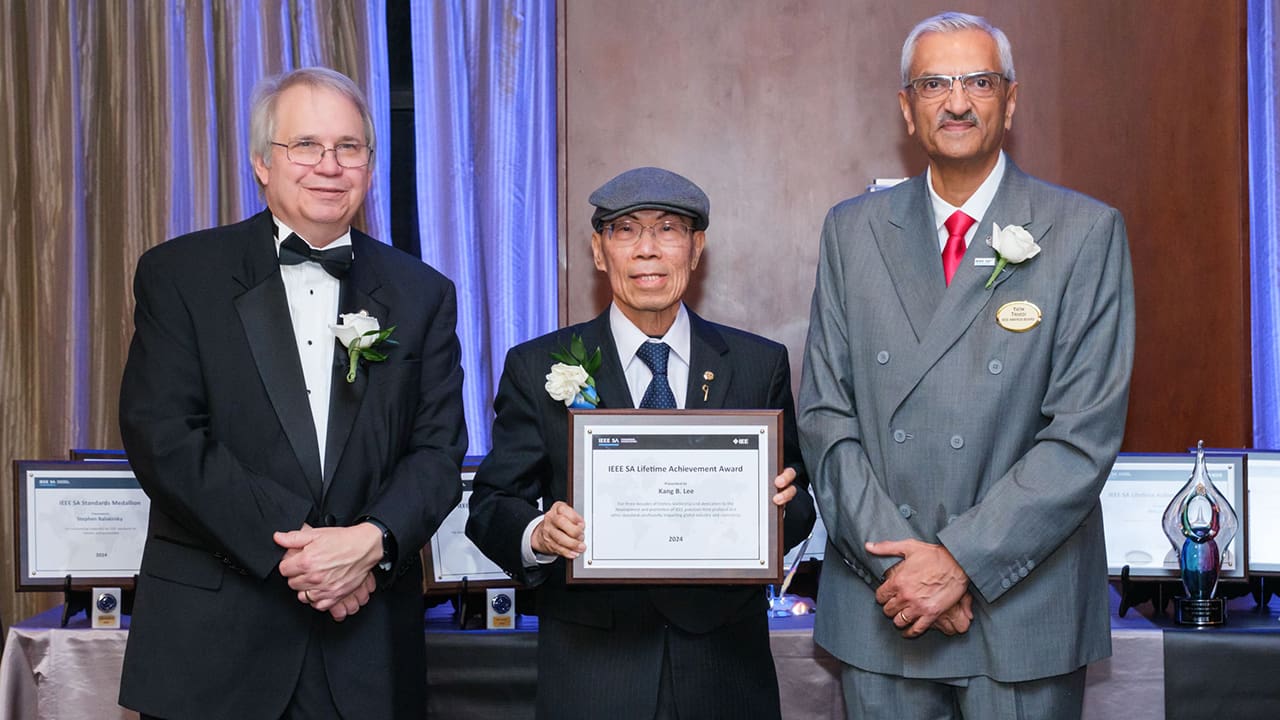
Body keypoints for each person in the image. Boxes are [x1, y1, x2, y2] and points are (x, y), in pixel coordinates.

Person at [798, 12, 1134, 719]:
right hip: (882, 607)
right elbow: (826, 418)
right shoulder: (851, 233)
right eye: (934, 83)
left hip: (1021, 610)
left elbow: (1082, 436)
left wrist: (959, 565)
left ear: (1010, 102)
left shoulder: (1083, 233)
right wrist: (904, 572)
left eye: (978, 81)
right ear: (906, 108)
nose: (956, 102)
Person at [118, 66, 467, 719]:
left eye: (349, 147)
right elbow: (164, 437)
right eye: (305, 145)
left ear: (369, 163)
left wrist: (370, 542)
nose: (329, 165)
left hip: (367, 654)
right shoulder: (180, 275)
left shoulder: (424, 294)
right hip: (214, 647)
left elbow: (438, 451)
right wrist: (311, 552)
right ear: (261, 163)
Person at [466, 166, 816, 719]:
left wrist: (779, 507)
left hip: (723, 668)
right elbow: (490, 508)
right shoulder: (538, 365)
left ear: (696, 249)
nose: (648, 250)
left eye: (669, 229)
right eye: (626, 230)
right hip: (593, 669)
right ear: (599, 251)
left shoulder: (757, 364)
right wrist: (539, 532)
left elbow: (798, 511)